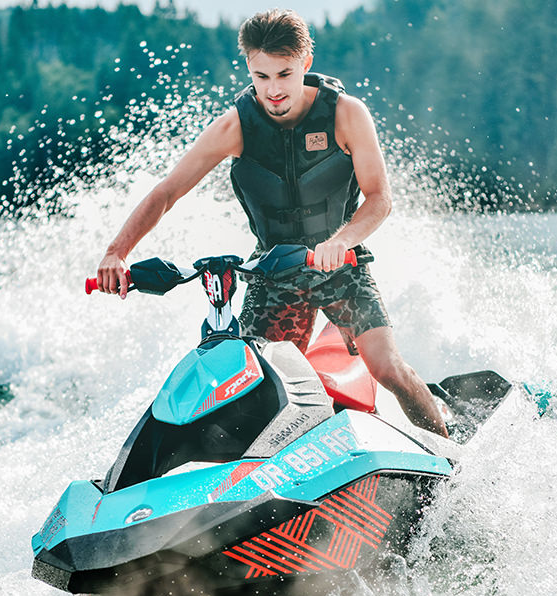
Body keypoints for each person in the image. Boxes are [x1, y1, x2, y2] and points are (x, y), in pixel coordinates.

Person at [95, 9, 449, 437]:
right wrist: (117, 251)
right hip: (274, 270)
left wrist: (343, 241)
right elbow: (166, 193)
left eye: (284, 74)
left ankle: (449, 457)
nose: (274, 90)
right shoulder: (235, 126)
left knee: (387, 367)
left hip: (341, 265)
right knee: (254, 393)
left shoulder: (346, 114)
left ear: (306, 64)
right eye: (261, 77)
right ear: (249, 68)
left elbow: (380, 198)